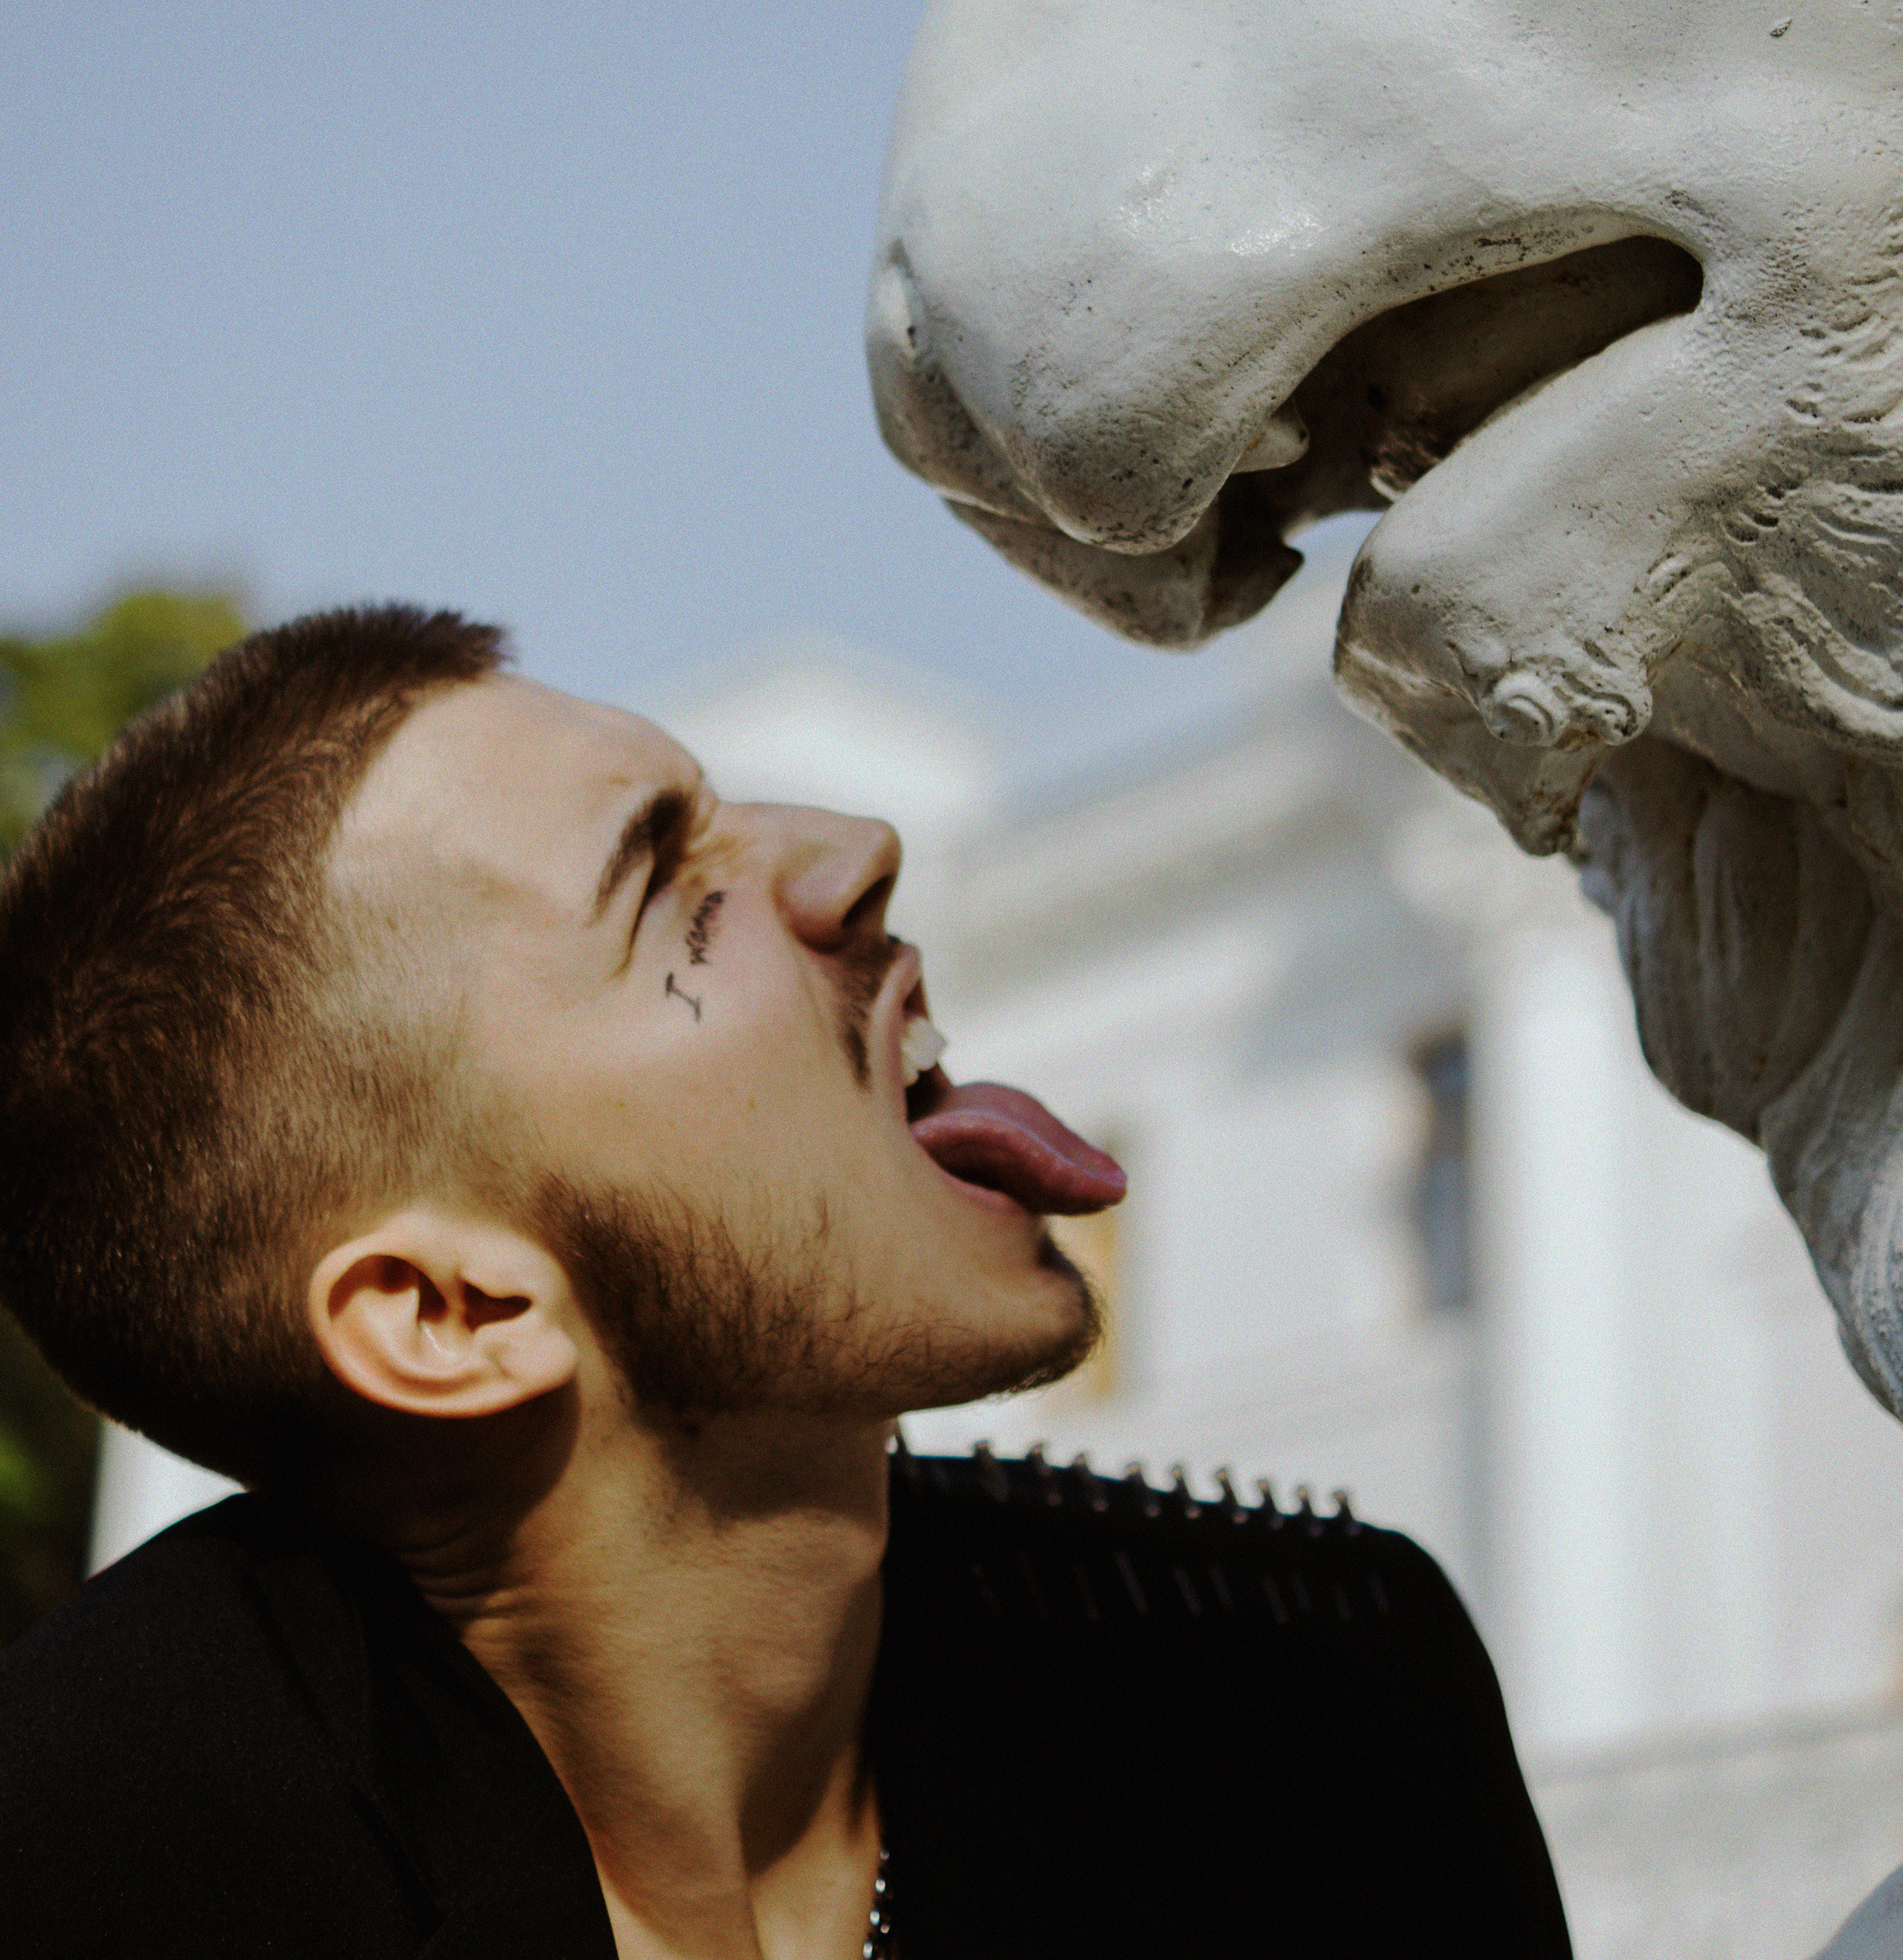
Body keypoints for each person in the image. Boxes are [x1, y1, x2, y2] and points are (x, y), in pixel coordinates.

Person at [0, 605, 1570, 1957]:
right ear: (450, 1315)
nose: (856, 850)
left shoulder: (1316, 1710)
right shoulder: (95, 1873)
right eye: (666, 890)